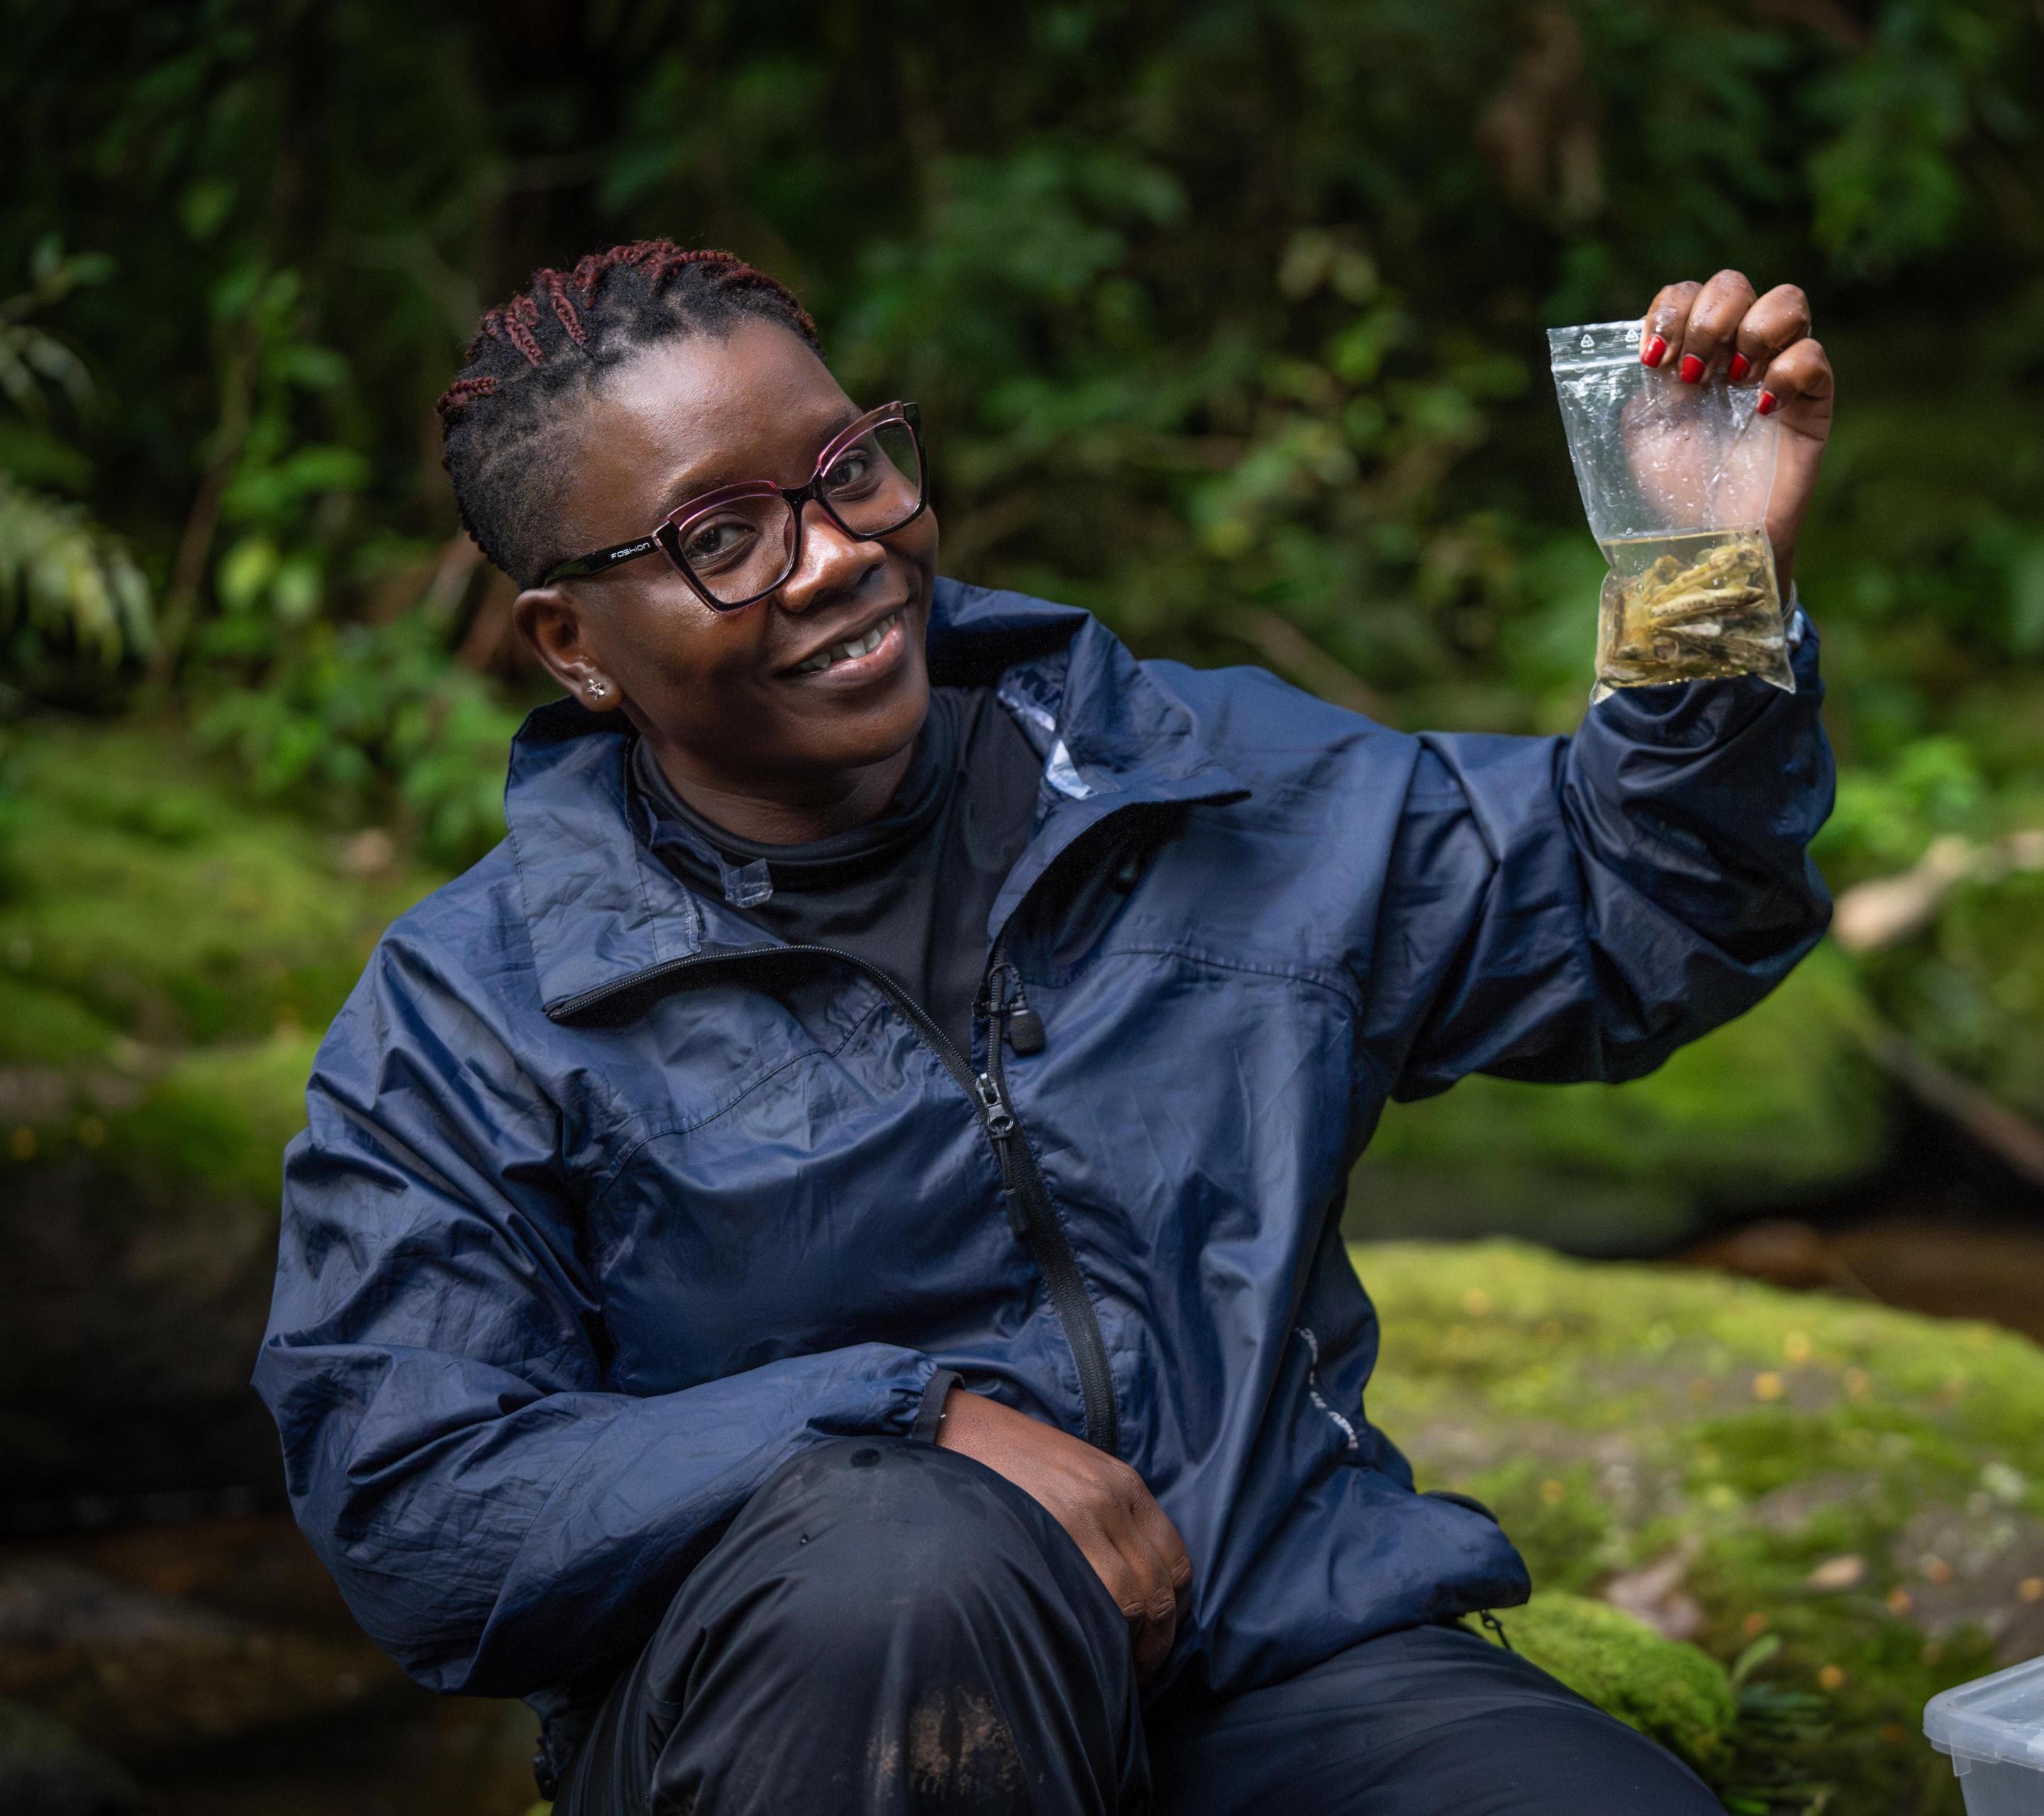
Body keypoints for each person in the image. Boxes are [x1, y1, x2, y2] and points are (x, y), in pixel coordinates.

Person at [252, 239, 1838, 1814]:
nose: (832, 555)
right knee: (910, 1559)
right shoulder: (469, 1014)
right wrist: (903, 1418)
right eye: (720, 534)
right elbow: (417, 1501)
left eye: (848, 471)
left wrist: (1694, 573)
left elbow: (1651, 917)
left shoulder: (1191, 778)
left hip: (1280, 1654)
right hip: (832, 1718)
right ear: (573, 643)